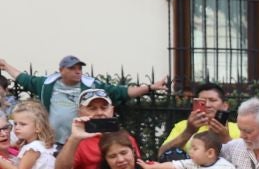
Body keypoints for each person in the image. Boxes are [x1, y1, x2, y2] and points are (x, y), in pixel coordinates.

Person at [0, 54, 165, 139]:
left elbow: (121, 92)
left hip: (83, 137)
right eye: (72, 68)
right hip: (53, 139)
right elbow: (24, 78)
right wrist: (6, 67)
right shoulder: (47, 84)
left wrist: (150, 87)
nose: (78, 71)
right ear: (62, 70)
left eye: (79, 68)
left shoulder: (91, 85)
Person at [157, 83, 241, 152]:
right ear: (195, 104)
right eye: (202, 102)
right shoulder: (183, 126)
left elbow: (246, 162)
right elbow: (162, 154)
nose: (207, 105)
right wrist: (188, 132)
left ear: (225, 106)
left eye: (212, 100)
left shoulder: (238, 128)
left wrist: (226, 138)